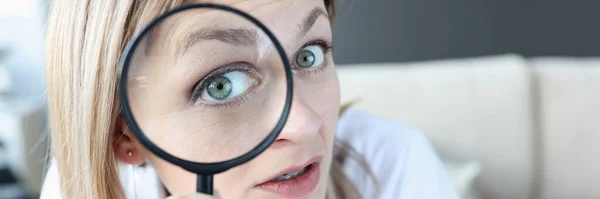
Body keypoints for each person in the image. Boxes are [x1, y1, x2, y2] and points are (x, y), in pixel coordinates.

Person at [40, 0, 459, 199]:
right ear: (125, 137)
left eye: (309, 54)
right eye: (222, 84)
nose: (305, 124)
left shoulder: (396, 163)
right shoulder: (83, 187)